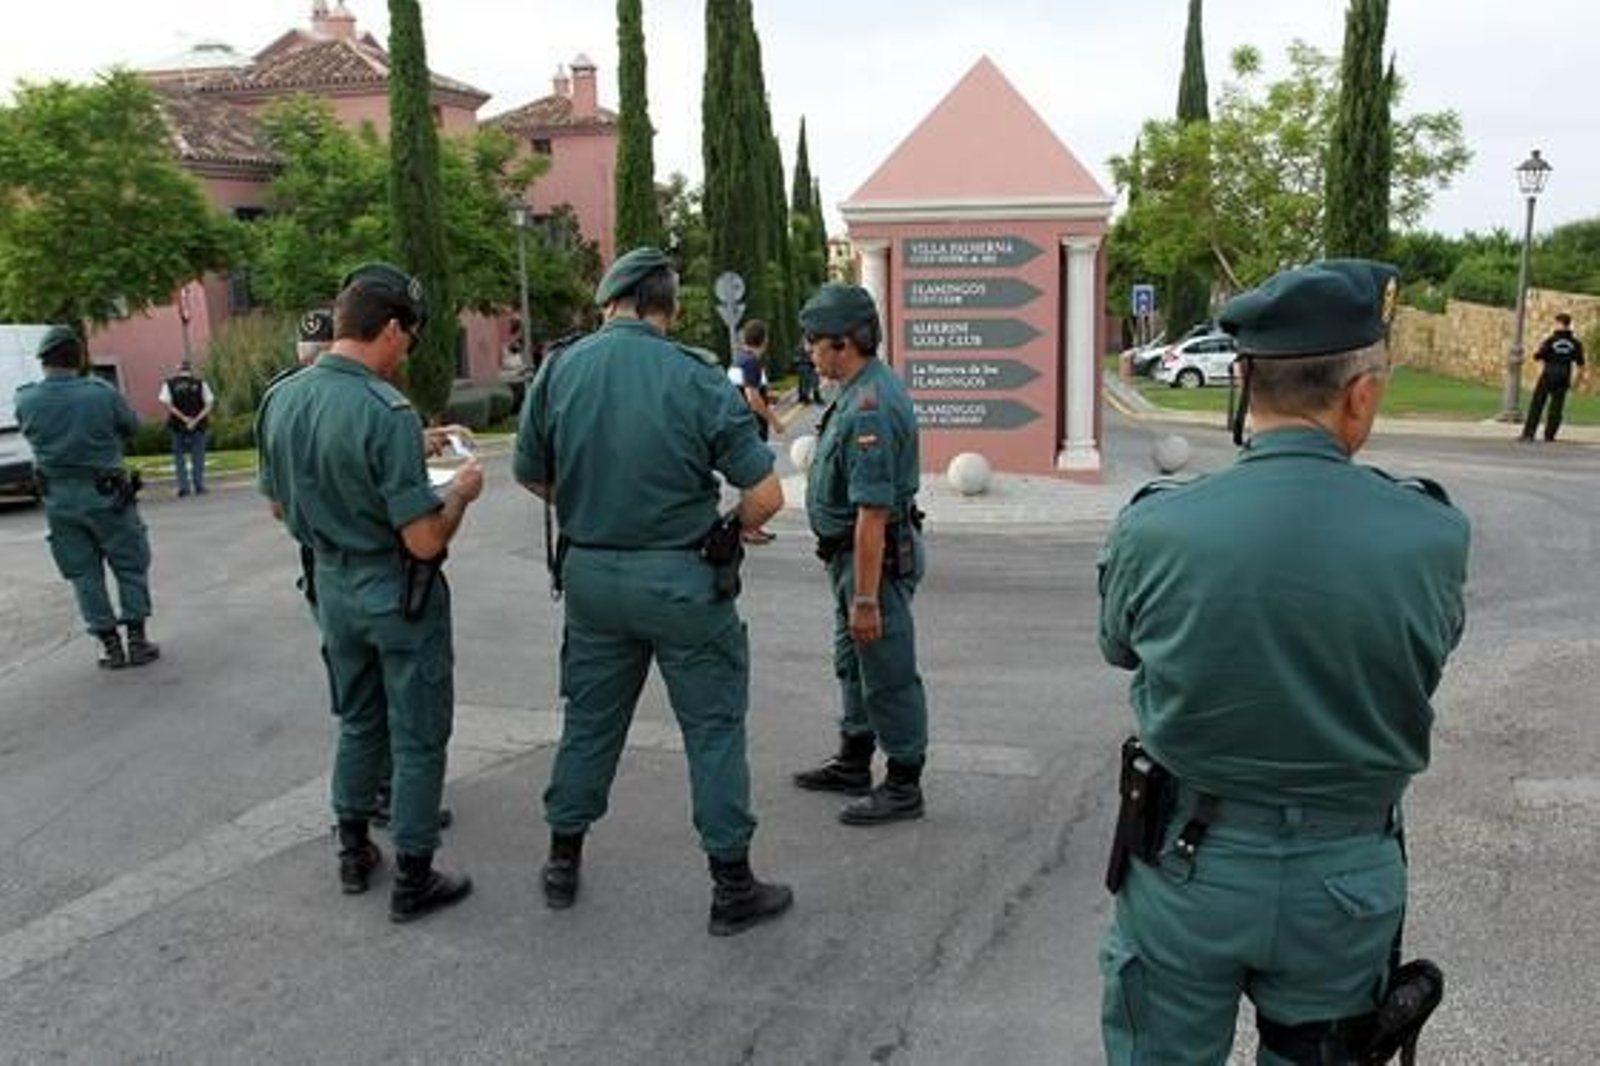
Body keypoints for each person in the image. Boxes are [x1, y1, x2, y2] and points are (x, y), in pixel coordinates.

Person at [1095, 260, 1471, 1064]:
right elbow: (1425, 657)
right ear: (1360, 394)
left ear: (1242, 380)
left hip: (1187, 867)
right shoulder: (1431, 533)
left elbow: (1118, 646)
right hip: (1343, 884)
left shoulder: (1156, 528)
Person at [514, 246, 792, 937]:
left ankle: (561, 860)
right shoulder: (693, 375)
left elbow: (532, 474)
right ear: (664, 306)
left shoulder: (559, 370)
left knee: (589, 722)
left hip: (590, 582)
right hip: (680, 581)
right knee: (713, 730)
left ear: (612, 302)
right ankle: (731, 887)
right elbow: (764, 497)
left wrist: (591, 499)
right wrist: (727, 530)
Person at [257, 263, 482, 924]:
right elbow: (423, 542)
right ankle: (414, 874)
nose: (407, 348)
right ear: (389, 328)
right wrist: (459, 495)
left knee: (358, 720)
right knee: (416, 735)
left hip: (330, 586)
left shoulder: (283, 397)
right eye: (408, 335)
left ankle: (353, 851)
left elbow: (277, 506)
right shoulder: (386, 409)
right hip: (397, 592)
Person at [792, 283, 930, 826]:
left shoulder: (869, 406)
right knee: (853, 663)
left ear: (844, 343)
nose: (809, 351)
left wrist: (867, 599)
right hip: (848, 561)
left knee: (888, 667)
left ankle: (903, 783)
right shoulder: (854, 390)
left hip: (872, 561)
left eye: (814, 342)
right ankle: (854, 761)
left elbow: (872, 514)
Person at [15, 326, 161, 670]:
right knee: (129, 564)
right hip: (107, 495)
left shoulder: (26, 399)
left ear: (43, 361)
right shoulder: (101, 393)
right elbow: (133, 428)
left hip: (59, 500)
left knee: (83, 573)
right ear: (78, 357)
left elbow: (30, 432)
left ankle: (110, 646)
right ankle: (137, 639)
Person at [733, 319, 782, 545]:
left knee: (749, 478)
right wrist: (775, 420)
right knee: (755, 477)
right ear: (765, 340)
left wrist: (768, 397)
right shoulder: (751, 362)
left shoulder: (740, 360)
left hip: (741, 424)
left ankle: (751, 525)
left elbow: (743, 393)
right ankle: (749, 528)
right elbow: (752, 400)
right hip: (751, 426)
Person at [1519, 311, 1587, 442]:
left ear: (1559, 323)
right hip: (1564, 376)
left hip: (1548, 374)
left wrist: (1538, 352)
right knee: (1557, 406)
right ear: (1569, 324)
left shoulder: (1550, 340)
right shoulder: (1576, 344)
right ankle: (1549, 435)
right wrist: (1576, 381)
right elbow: (1581, 365)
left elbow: (1538, 356)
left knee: (1537, 404)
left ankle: (1528, 434)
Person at [158, 360, 214, 497]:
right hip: (199, 425)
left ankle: (183, 488)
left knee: (179, 458)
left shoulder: (169, 384)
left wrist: (184, 418)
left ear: (178, 369)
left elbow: (168, 405)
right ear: (190, 370)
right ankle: (199, 486)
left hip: (177, 425)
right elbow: (209, 404)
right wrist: (195, 420)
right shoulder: (201, 383)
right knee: (198, 456)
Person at [793, 340, 821, 404]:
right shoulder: (804, 343)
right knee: (805, 381)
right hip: (804, 364)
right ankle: (805, 397)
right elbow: (807, 352)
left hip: (810, 364)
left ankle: (815, 395)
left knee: (814, 379)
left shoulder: (808, 341)